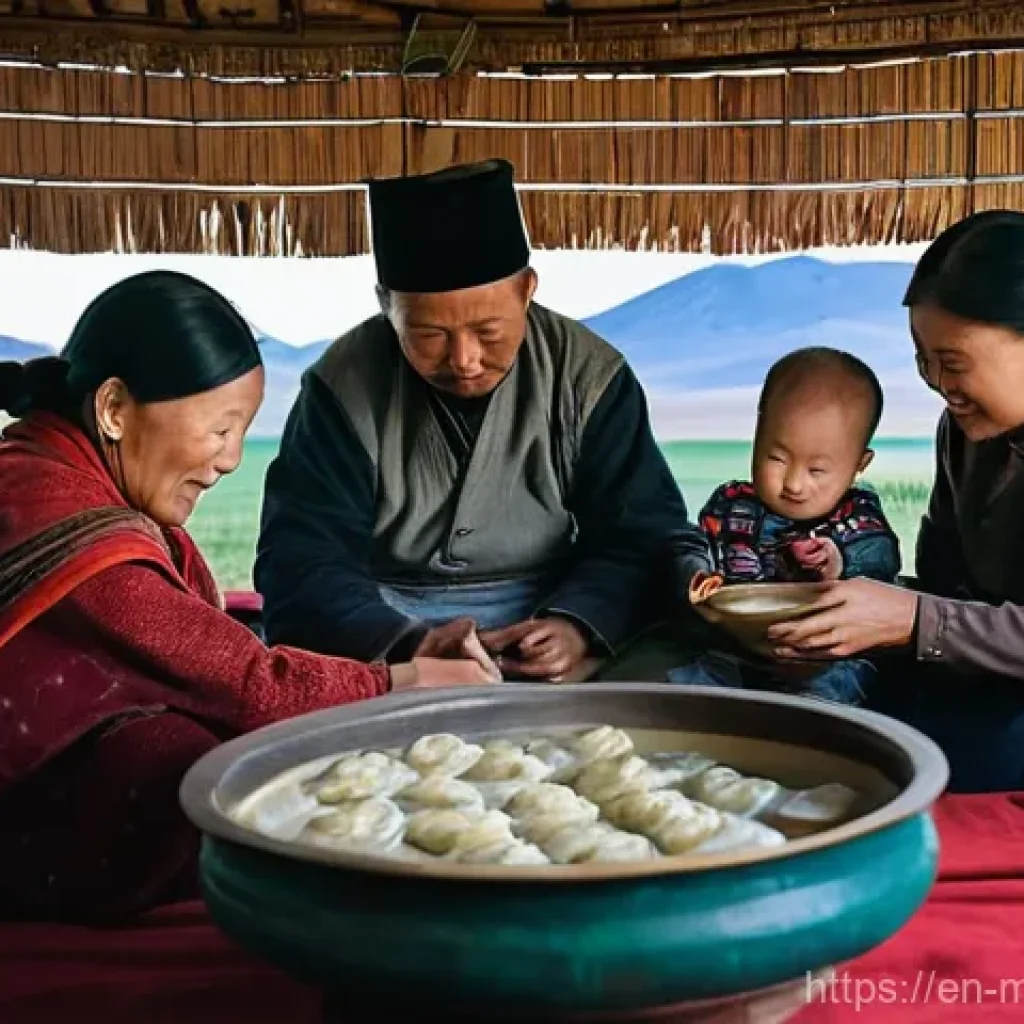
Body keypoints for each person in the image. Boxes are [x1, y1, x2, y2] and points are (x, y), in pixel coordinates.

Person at [0, 270, 496, 926]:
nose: (232, 458)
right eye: (220, 428)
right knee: (179, 757)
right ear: (115, 409)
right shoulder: (68, 528)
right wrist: (404, 682)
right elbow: (246, 684)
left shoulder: (41, 468)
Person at [256, 158, 706, 682]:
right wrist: (411, 646)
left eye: (488, 331)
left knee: (685, 659)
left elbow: (641, 537)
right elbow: (302, 556)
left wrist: (575, 626)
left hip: (549, 609)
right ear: (387, 307)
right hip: (386, 620)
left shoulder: (590, 374)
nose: (464, 360)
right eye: (428, 336)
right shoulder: (340, 385)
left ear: (527, 289)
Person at [765, 209, 1024, 791]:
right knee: (817, 710)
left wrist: (913, 620)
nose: (937, 382)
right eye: (922, 359)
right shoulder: (963, 432)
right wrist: (845, 602)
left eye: (953, 362)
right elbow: (945, 589)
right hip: (985, 679)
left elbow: (931, 619)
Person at [672, 347, 901, 703]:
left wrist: (835, 561)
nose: (793, 483)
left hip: (828, 657)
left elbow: (880, 563)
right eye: (776, 458)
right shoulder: (731, 503)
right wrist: (699, 575)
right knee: (684, 689)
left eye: (817, 470)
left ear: (860, 463)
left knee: (831, 696)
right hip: (738, 651)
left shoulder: (857, 514)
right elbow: (696, 549)